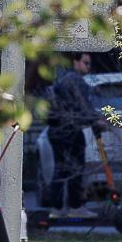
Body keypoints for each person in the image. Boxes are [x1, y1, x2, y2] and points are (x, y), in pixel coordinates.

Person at [46, 52, 103, 212]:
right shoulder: (75, 81)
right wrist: (96, 120)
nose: (88, 66)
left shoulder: (66, 80)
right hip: (67, 132)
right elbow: (83, 106)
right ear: (76, 62)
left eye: (89, 63)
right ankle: (73, 206)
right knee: (73, 169)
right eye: (86, 63)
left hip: (61, 130)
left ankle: (59, 208)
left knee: (63, 168)